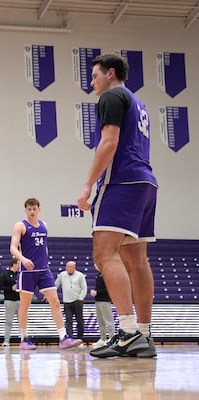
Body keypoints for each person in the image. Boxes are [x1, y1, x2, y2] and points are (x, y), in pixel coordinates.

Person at [77, 53, 158, 358]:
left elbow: (109, 143)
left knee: (104, 254)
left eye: (95, 76)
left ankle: (126, 331)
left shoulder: (111, 96)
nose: (92, 82)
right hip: (146, 182)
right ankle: (144, 336)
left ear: (110, 74)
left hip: (121, 182)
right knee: (136, 261)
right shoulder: (139, 104)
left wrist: (87, 184)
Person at [9, 197, 83, 350]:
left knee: (55, 302)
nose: (32, 212)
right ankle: (24, 339)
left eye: (34, 209)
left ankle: (63, 337)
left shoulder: (44, 226)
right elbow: (13, 248)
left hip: (44, 270)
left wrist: (45, 260)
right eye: (29, 209)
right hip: (27, 271)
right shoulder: (20, 226)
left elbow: (44, 247)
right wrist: (22, 259)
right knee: (25, 305)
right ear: (25, 210)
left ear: (39, 209)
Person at [55, 261, 88, 342]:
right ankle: (70, 338)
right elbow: (56, 285)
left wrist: (81, 297)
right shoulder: (62, 275)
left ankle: (80, 338)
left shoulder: (80, 275)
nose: (67, 268)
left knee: (79, 320)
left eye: (69, 267)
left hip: (77, 301)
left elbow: (84, 287)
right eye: (66, 267)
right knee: (68, 320)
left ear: (74, 267)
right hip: (67, 302)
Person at [90, 265, 115, 348]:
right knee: (101, 322)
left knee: (109, 321)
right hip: (98, 300)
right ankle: (102, 339)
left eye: (96, 264)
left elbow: (109, 288)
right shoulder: (99, 275)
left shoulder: (106, 275)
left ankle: (112, 338)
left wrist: (97, 292)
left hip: (104, 300)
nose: (94, 265)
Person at [0, 257, 20, 347]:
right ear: (14, 264)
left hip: (20, 300)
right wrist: (11, 288)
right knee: (9, 321)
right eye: (18, 264)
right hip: (9, 300)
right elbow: (0, 287)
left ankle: (24, 339)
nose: (19, 266)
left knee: (22, 322)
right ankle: (6, 340)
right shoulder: (5, 274)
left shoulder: (20, 274)